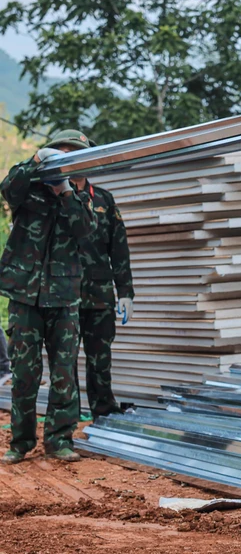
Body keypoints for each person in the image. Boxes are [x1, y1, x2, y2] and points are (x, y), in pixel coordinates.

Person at [0, 129, 96, 464]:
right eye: (61, 153)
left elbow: (86, 234)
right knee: (25, 374)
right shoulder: (30, 189)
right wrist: (36, 160)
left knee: (63, 373)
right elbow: (8, 188)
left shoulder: (83, 198)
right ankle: (21, 442)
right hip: (25, 295)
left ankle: (59, 440)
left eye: (74, 155)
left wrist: (66, 192)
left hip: (64, 296)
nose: (66, 161)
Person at [72, 162, 133, 419]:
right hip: (64, 294)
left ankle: (104, 411)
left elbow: (119, 249)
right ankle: (67, 416)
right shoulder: (53, 198)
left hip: (99, 294)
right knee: (64, 361)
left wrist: (126, 292)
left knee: (100, 357)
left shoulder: (104, 200)